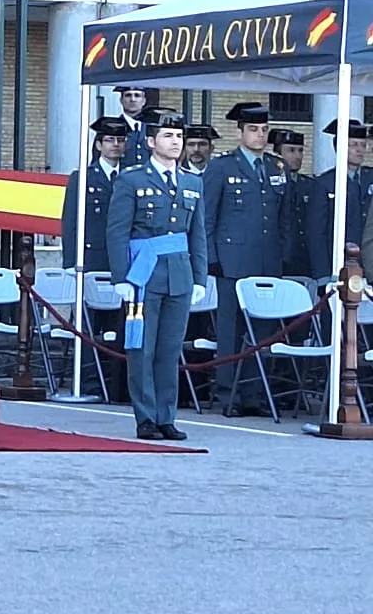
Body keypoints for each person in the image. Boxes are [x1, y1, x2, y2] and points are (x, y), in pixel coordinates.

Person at [107, 109, 209, 442]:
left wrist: (199, 278)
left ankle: (167, 417)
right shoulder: (132, 179)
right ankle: (146, 417)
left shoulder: (192, 182)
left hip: (178, 274)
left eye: (179, 136)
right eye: (168, 136)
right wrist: (121, 277)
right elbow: (117, 231)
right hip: (144, 274)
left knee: (169, 350)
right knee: (142, 349)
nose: (175, 142)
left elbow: (198, 234)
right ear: (151, 142)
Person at [200, 102, 288, 417]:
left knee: (263, 332)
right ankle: (228, 395)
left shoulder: (276, 167)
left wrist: (283, 256)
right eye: (253, 129)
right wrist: (211, 258)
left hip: (266, 261)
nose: (259, 135)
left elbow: (282, 218)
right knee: (230, 332)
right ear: (240, 132)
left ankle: (254, 394)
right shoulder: (222, 167)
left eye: (264, 130)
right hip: (231, 262)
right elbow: (206, 217)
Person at [62, 117, 130, 271]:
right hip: (93, 256)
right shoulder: (82, 178)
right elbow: (70, 223)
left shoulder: (132, 176)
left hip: (124, 255)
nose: (116, 144)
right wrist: (70, 263)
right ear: (99, 145)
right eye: (109, 140)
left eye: (120, 140)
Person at [305, 119, 372, 276]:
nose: (359, 150)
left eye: (363, 145)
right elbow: (316, 232)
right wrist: (322, 273)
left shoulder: (370, 177)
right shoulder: (325, 182)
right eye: (353, 145)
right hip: (338, 262)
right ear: (339, 147)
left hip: (369, 263)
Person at [271, 127, 315, 278]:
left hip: (305, 259)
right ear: (278, 154)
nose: (298, 156)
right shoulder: (270, 184)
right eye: (291, 150)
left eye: (300, 151)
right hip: (279, 258)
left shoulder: (311, 184)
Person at [115, 85, 153, 168]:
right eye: (128, 95)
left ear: (144, 101)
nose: (132, 99)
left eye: (137, 95)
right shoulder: (112, 128)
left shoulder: (152, 128)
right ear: (121, 100)